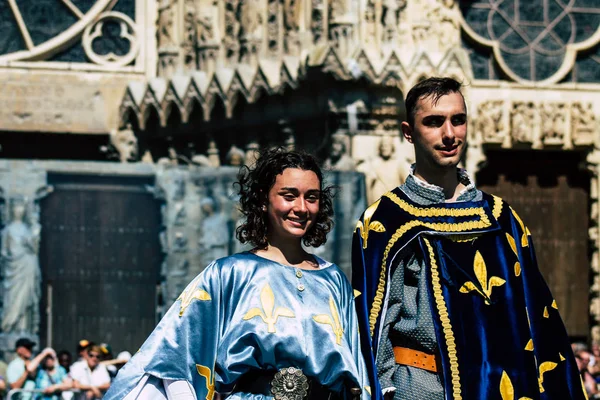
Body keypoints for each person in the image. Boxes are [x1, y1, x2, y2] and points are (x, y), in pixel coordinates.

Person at [352, 77, 586, 400]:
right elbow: (372, 332)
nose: (449, 134)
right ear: (408, 133)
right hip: (422, 390)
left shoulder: (502, 219)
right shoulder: (385, 222)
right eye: (434, 122)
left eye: (457, 120)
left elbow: (538, 321)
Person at [105, 149, 371, 399]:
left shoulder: (333, 280)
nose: (301, 208)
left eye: (311, 197)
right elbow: (172, 356)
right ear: (263, 200)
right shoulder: (229, 274)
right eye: (289, 195)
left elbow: (357, 367)